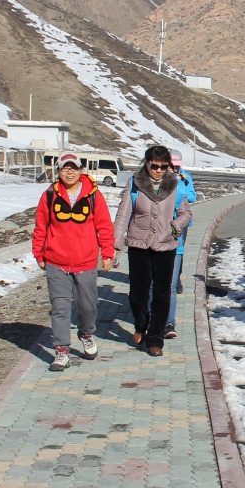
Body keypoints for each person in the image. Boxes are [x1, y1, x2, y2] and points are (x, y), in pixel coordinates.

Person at [31, 153, 116, 371]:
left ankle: (86, 333)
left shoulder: (93, 195)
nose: (70, 172)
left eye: (74, 168)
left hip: (85, 262)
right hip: (55, 261)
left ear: (80, 170)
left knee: (87, 306)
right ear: (58, 171)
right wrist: (39, 254)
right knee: (59, 307)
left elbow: (104, 226)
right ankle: (61, 351)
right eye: (65, 168)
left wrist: (107, 253)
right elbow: (41, 226)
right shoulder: (49, 195)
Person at [115, 145, 193, 357]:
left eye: (163, 166)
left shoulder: (174, 184)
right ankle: (141, 324)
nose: (158, 170)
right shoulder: (134, 183)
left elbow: (186, 213)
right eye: (154, 166)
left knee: (162, 293)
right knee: (138, 294)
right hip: (138, 244)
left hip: (165, 245)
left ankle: (155, 339)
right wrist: (115, 244)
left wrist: (175, 227)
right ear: (146, 163)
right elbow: (123, 214)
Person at [162, 149, 197, 339]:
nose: (174, 169)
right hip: (160, 229)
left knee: (178, 254)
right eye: (171, 166)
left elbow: (191, 197)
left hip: (180, 223)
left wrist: (183, 182)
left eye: (177, 166)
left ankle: (177, 278)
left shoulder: (185, 176)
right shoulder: (158, 176)